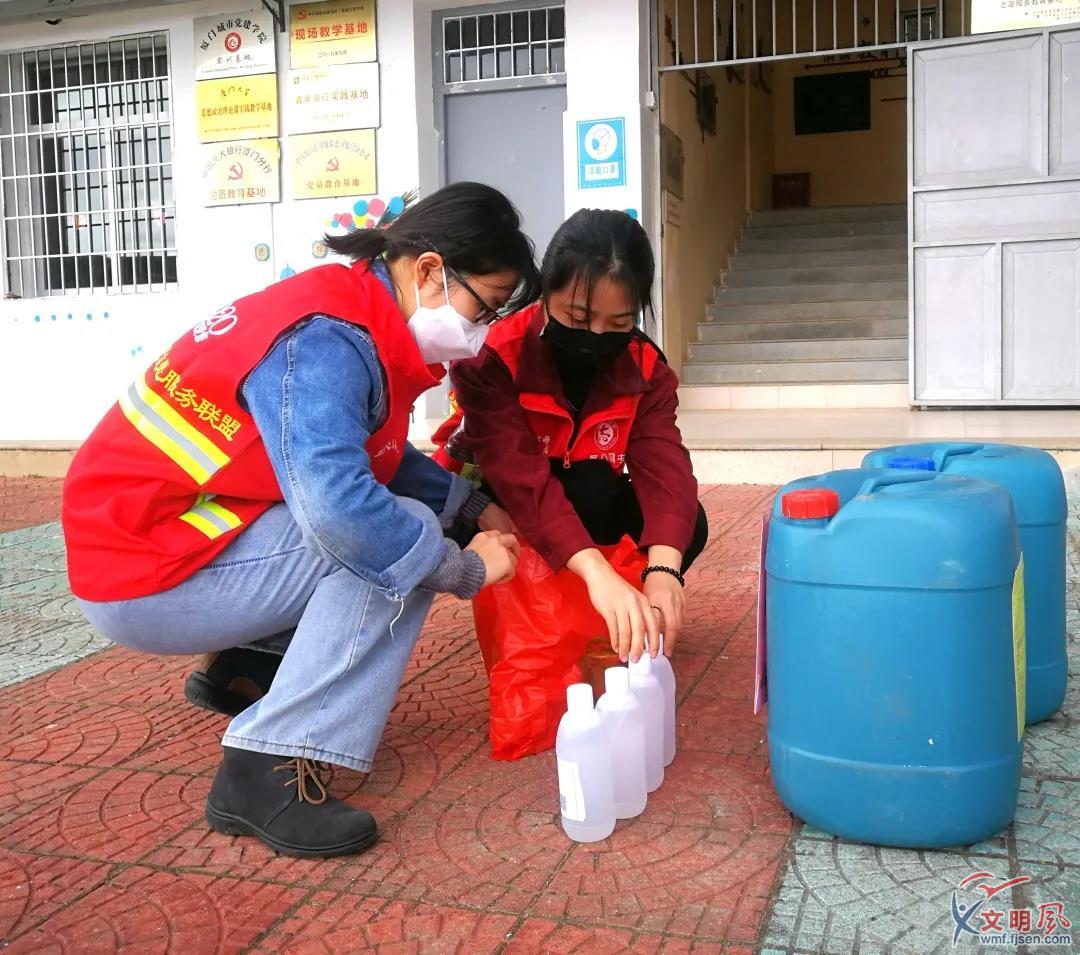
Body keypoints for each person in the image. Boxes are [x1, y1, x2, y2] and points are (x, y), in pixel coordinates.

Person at [62, 182, 536, 859]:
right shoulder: (328, 340)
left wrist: (469, 504)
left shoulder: (347, 307)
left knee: (389, 520)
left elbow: (369, 450)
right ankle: (270, 767)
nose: (480, 332)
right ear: (429, 270)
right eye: (482, 307)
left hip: (154, 541)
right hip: (145, 572)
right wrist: (462, 565)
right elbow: (344, 510)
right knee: (389, 536)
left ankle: (246, 666)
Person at [434, 208, 708, 665]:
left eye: (618, 324)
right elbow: (519, 475)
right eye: (577, 317)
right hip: (497, 508)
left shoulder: (646, 368)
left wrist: (663, 572)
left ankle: (611, 618)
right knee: (563, 491)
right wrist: (598, 573)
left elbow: (664, 469)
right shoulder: (494, 357)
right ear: (544, 293)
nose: (594, 336)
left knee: (682, 523)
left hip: (584, 499)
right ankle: (567, 607)